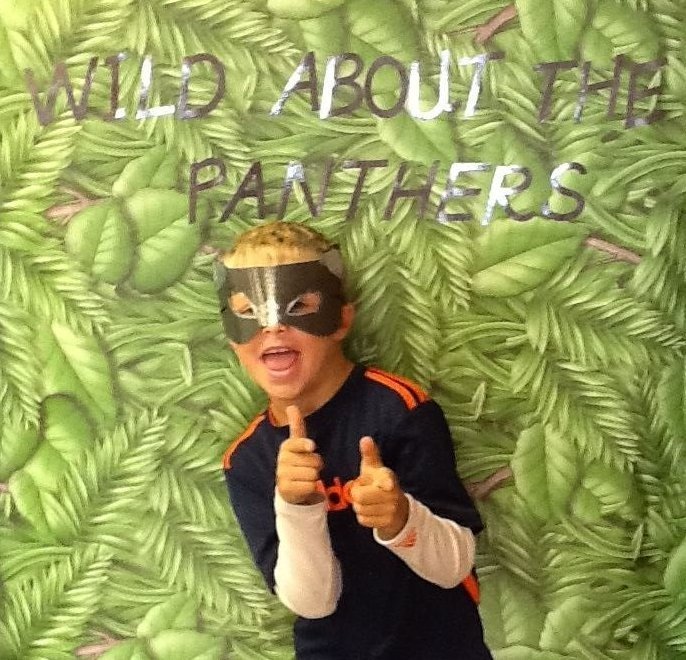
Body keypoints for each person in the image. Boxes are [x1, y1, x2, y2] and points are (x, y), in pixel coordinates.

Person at [217, 221, 492, 659]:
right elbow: (313, 603)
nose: (273, 327)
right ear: (232, 337)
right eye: (248, 311)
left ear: (341, 319)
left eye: (298, 306)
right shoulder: (248, 460)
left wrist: (401, 520)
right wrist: (296, 508)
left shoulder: (398, 410)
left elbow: (453, 567)